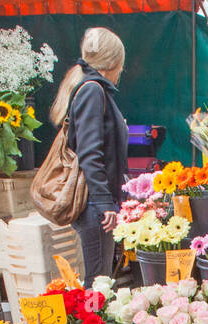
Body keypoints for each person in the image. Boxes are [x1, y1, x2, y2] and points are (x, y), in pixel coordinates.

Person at [49, 27, 129, 285]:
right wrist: (105, 203)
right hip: (95, 205)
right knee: (98, 281)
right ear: (114, 62)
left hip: (96, 203)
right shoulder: (93, 90)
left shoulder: (89, 88)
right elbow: (90, 154)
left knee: (100, 279)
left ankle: (94, 322)